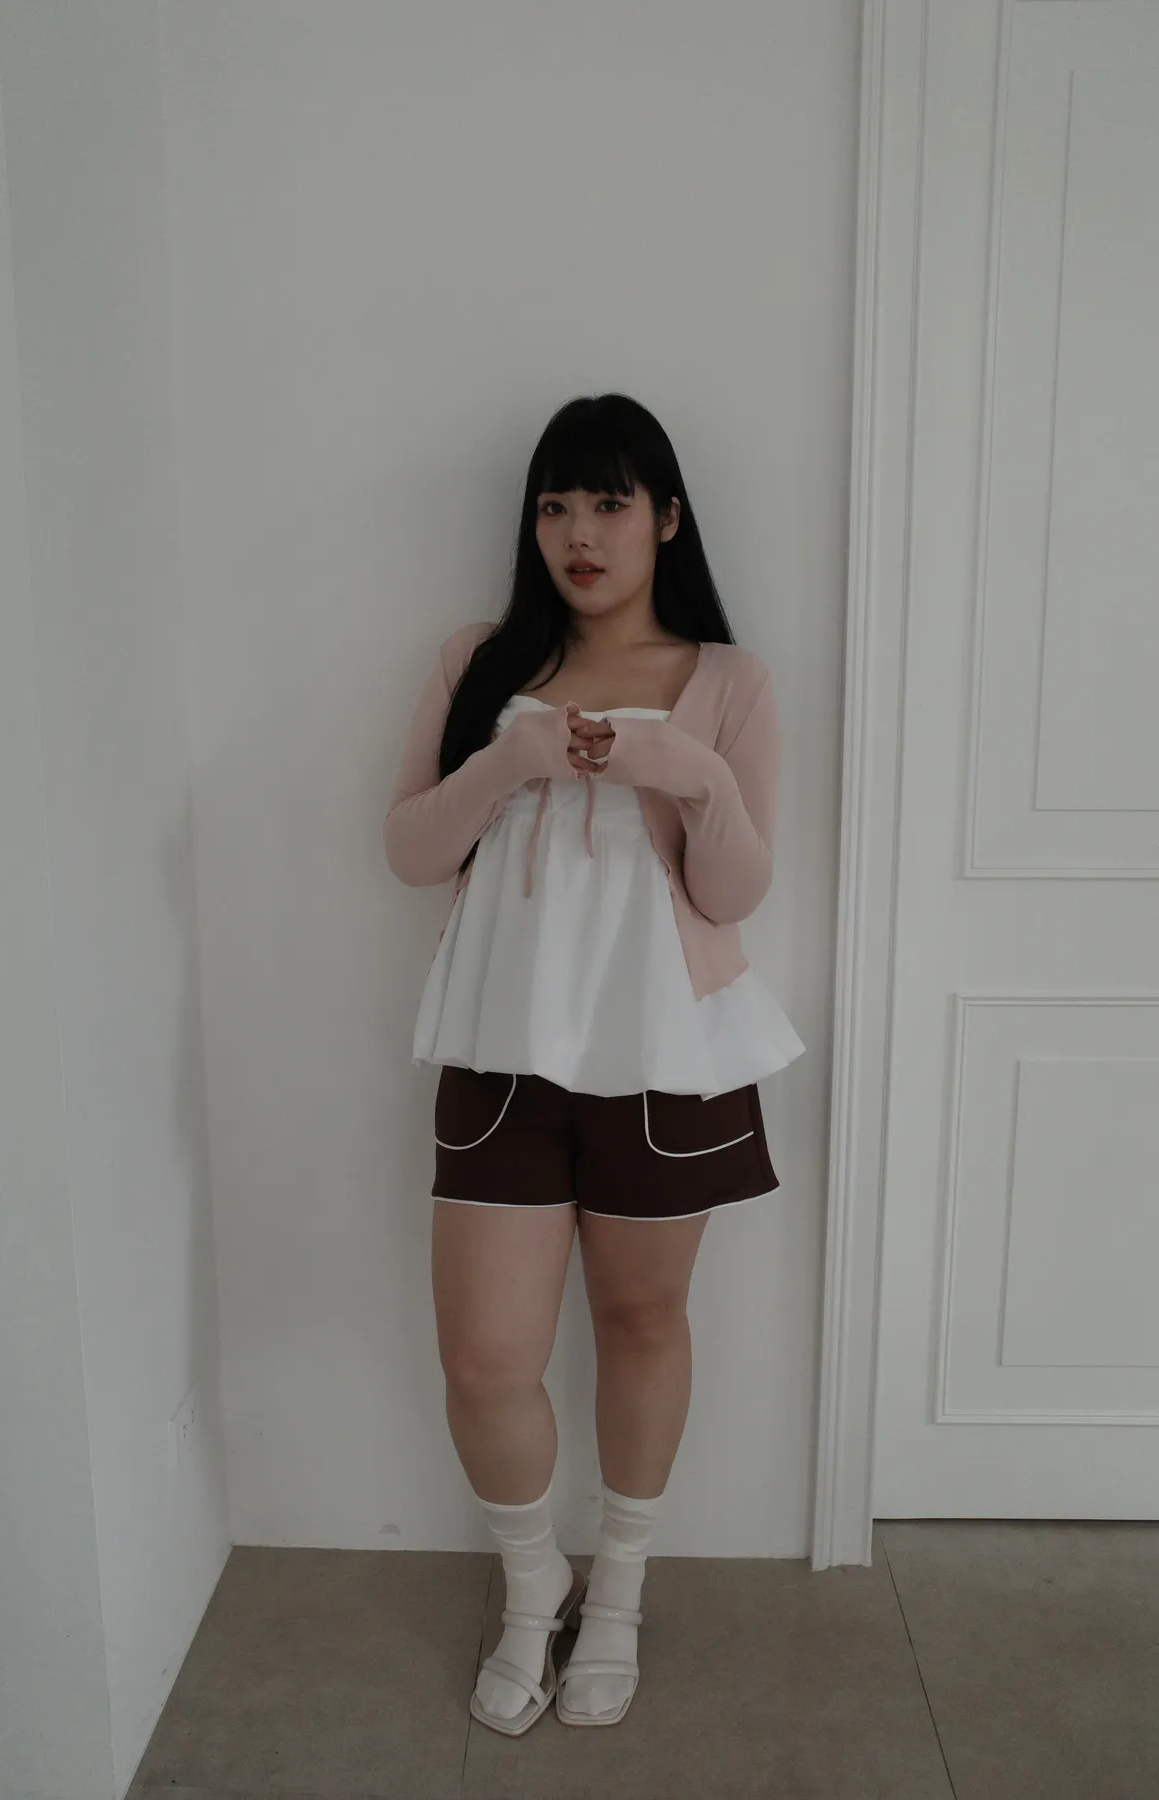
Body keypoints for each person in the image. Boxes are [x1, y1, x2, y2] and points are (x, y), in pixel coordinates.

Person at [383, 392, 805, 1736]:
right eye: (556, 505)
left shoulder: (729, 679)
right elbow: (411, 850)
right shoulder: (479, 662)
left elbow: (733, 893)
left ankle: (617, 1590)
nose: (579, 531)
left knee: (640, 1323)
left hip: (668, 1057)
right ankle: (534, 1589)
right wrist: (506, 763)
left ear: (666, 518)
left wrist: (691, 774)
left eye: (610, 503)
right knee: (484, 1358)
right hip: (500, 1058)